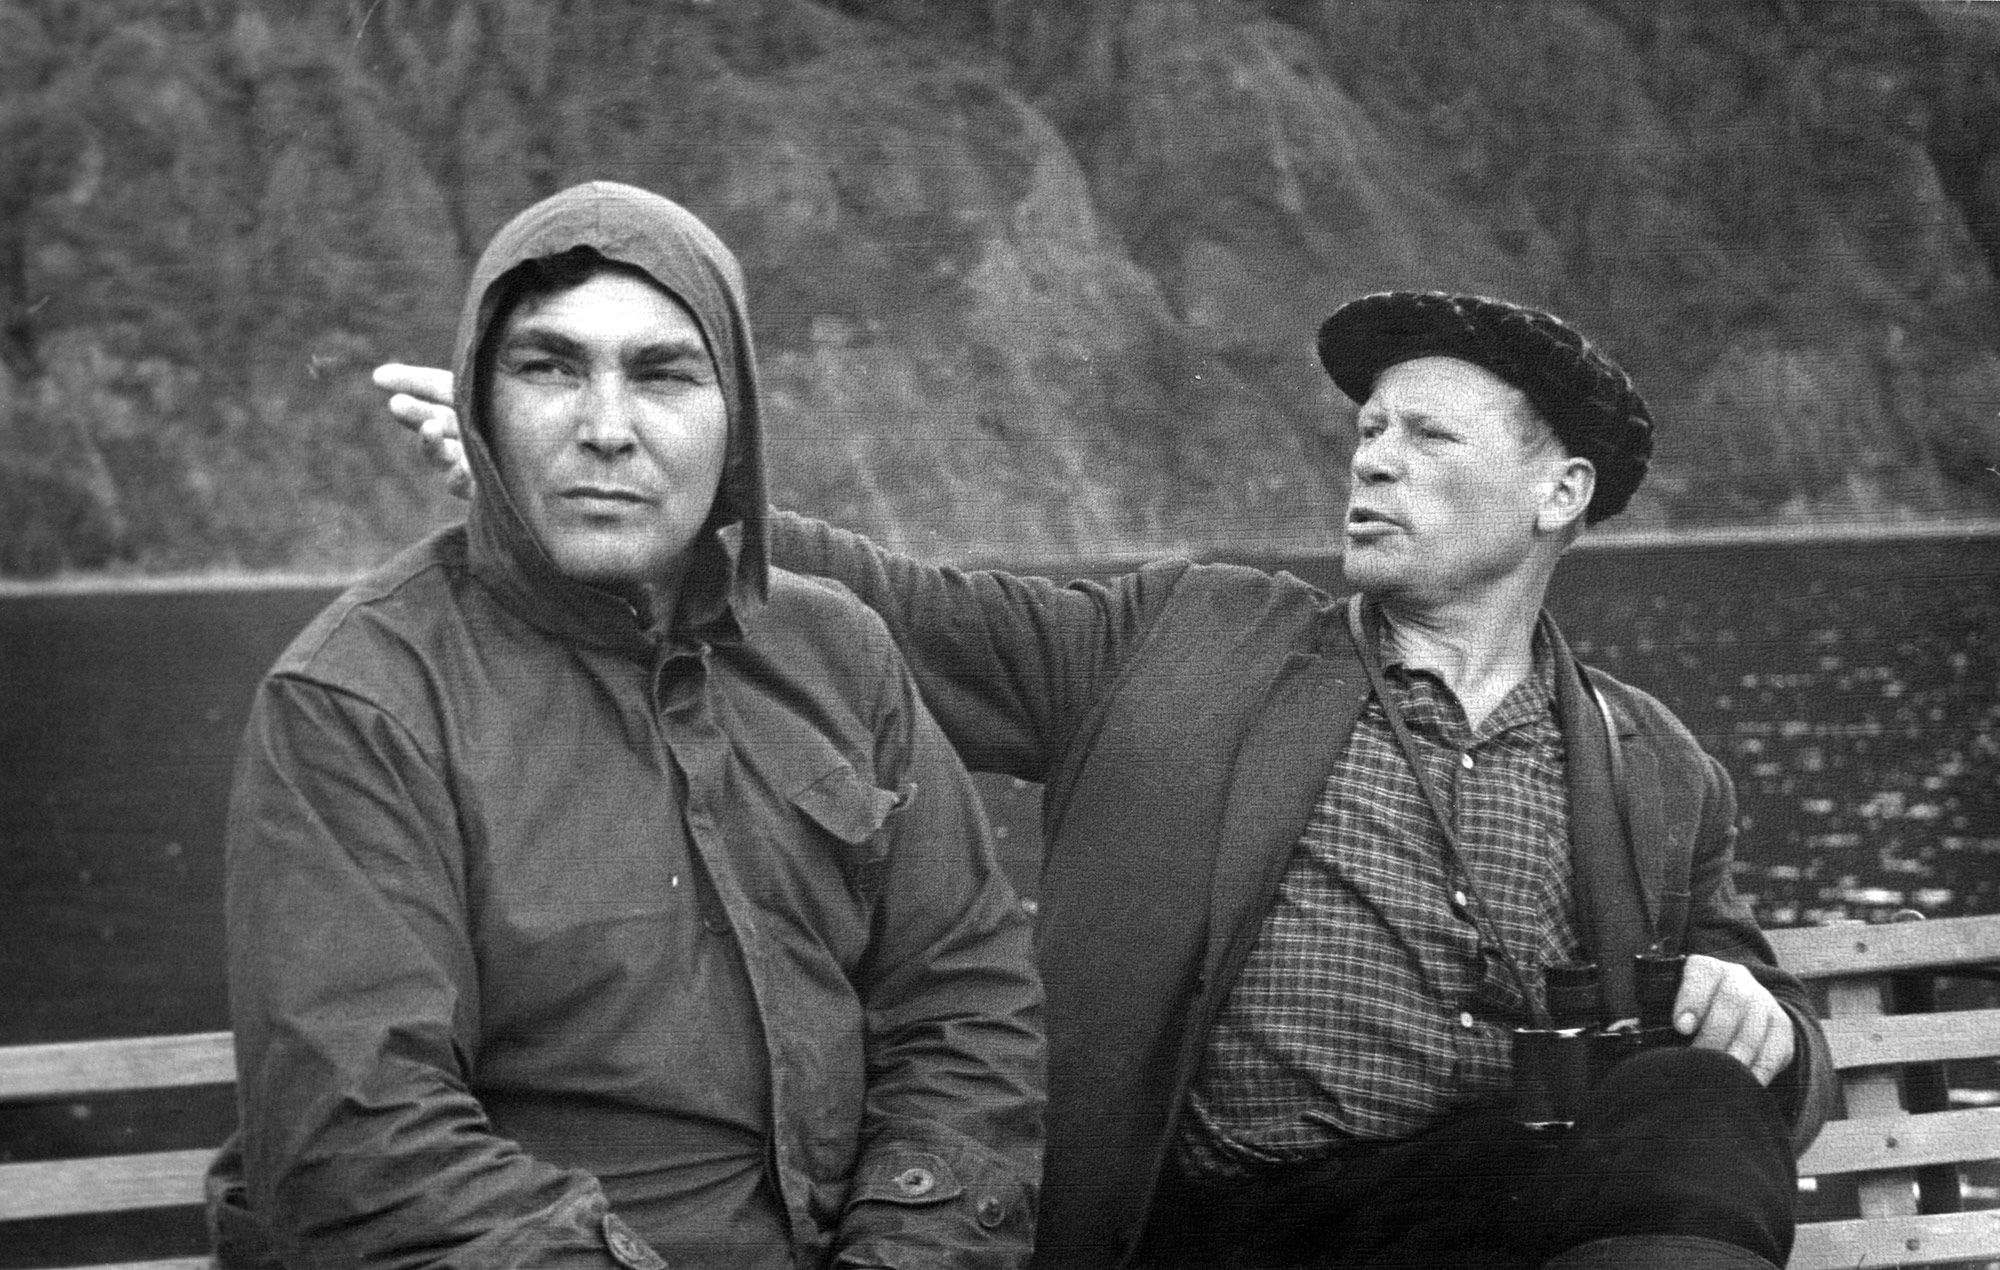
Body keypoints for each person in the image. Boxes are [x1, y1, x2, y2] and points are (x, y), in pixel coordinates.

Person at [377, 290, 1835, 1270]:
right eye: (1365, 432)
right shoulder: (1187, 636)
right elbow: (906, 609)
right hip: (1195, 1228)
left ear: (1557, 494)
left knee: (1700, 1095)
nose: (1371, 463)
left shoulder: (1650, 765)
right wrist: (647, 487)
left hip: (1469, 1215)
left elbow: (1764, 1020)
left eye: (1425, 436)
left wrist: (1757, 1014)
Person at [216, 181, 1044, 1270]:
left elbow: (963, 1003)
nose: (605, 430)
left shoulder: (841, 654)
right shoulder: (357, 699)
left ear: (736, 422)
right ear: (480, 408)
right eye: (549, 369)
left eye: (662, 375)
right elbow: (360, 1142)